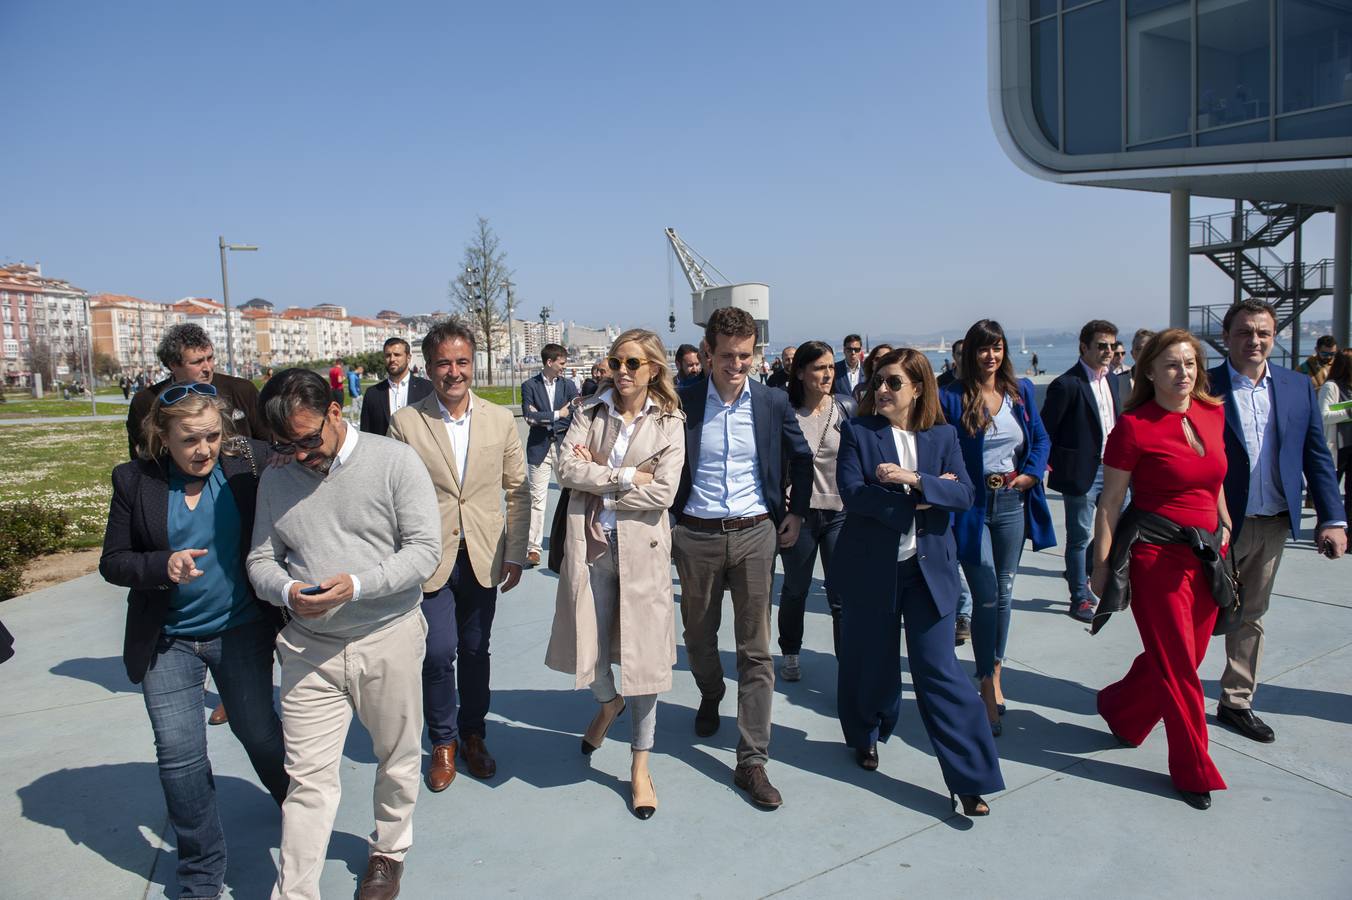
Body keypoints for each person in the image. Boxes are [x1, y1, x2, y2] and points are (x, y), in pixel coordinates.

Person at [247, 368, 442, 900]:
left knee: (397, 757)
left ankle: (388, 850)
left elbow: (425, 551)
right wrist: (287, 593)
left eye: (308, 440)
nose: (300, 455)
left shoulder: (394, 461)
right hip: (309, 648)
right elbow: (262, 559)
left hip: (389, 635)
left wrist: (355, 586)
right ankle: (294, 892)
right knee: (307, 779)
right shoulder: (276, 475)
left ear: (336, 412)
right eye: (285, 445)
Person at [101, 384, 288, 900]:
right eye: (190, 440)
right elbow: (113, 561)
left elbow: (309, 457)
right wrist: (160, 565)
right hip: (168, 642)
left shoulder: (247, 466)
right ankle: (200, 873)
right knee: (179, 757)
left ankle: (297, 809)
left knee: (260, 735)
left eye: (212, 436)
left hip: (241, 629)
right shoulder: (133, 482)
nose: (204, 449)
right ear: (161, 437)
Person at [829, 348, 1003, 816]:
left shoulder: (943, 436)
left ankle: (969, 777)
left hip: (929, 572)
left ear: (918, 388)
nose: (881, 390)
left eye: (893, 383)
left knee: (940, 672)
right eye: (876, 381)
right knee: (870, 662)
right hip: (873, 569)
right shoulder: (858, 432)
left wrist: (911, 478)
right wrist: (922, 499)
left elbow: (964, 494)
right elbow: (854, 493)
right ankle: (865, 734)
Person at [671, 306, 813, 809]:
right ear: (708, 353)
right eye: (728, 356)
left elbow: (801, 456)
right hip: (697, 536)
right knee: (698, 638)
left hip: (756, 533)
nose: (737, 366)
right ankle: (710, 692)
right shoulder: (683, 401)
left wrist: (794, 511)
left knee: (756, 650)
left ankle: (751, 760)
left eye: (746, 356)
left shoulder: (772, 402)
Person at [545, 328, 685, 820]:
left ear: (653, 369)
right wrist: (627, 475)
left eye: (632, 363)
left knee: (644, 661)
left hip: (643, 553)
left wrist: (598, 475)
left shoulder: (670, 421)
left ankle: (640, 763)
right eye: (616, 361)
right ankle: (608, 704)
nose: (621, 371)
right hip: (592, 549)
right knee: (592, 648)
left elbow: (664, 493)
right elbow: (566, 470)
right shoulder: (589, 410)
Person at [1090, 328, 1232, 810]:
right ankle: (1194, 769)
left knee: (1184, 660)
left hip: (1207, 555)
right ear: (1149, 371)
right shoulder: (1134, 426)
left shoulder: (1213, 413)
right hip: (1155, 556)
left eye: (1190, 363)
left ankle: (1122, 710)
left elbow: (1214, 477)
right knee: (1179, 671)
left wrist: (1225, 519)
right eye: (1172, 365)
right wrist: (1101, 565)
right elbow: (1110, 503)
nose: (1183, 373)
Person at [388, 322, 529, 791]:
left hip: (484, 555)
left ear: (473, 364)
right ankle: (443, 741)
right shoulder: (407, 423)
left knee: (474, 651)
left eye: (462, 362)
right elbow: (392, 496)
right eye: (444, 363)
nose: (454, 372)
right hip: (429, 558)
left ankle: (474, 735)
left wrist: (516, 552)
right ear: (428, 368)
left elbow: (517, 490)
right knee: (437, 652)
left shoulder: (499, 420)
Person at [1208, 301, 1346, 744]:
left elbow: (1316, 456)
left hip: (1271, 521)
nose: (1255, 341)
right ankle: (1164, 696)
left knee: (1251, 614)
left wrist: (1333, 518)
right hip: (1213, 522)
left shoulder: (1296, 386)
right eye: (1245, 332)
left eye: (1263, 333)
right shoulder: (1201, 385)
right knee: (1194, 614)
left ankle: (1236, 701)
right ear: (1226, 337)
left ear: (1274, 337)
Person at [938, 319, 1054, 735]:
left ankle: (993, 672)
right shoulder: (950, 396)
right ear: (970, 352)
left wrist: (1032, 473)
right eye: (984, 348)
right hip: (970, 506)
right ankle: (986, 682)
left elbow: (1040, 439)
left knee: (1004, 591)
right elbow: (940, 446)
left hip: (1011, 499)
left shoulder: (1019, 392)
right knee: (985, 589)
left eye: (998, 347)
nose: (992, 355)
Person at [776, 341, 856, 680]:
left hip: (839, 511)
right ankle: (791, 650)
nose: (827, 374)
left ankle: (847, 664)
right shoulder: (785, 411)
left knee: (841, 595)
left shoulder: (845, 408)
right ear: (801, 372)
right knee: (796, 588)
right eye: (819, 368)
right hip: (800, 514)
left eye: (830, 367)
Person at [1040, 319, 1122, 621]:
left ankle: (1081, 575)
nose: (1108, 352)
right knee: (1080, 535)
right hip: (1082, 473)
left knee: (1116, 528)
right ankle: (1079, 597)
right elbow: (1046, 430)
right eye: (1101, 346)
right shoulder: (1066, 384)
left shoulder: (1113, 380)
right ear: (1084, 347)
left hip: (1114, 470)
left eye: (1112, 346)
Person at [127, 323, 269, 460]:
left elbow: (268, 442)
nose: (207, 368)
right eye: (197, 362)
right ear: (173, 365)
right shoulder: (146, 401)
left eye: (210, 358)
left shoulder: (241, 390)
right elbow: (142, 458)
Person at [521, 343, 579, 567]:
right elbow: (529, 417)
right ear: (550, 362)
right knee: (537, 499)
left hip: (564, 448)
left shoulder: (569, 385)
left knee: (571, 497)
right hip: (539, 450)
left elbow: (575, 413)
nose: (565, 367)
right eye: (562, 363)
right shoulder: (529, 386)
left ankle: (571, 541)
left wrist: (546, 416)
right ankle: (533, 549)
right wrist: (559, 413)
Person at [360, 337, 433, 437]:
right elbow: (366, 433)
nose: (392, 359)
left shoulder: (428, 389)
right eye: (388, 355)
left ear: (408, 357)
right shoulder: (372, 394)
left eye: (397, 355)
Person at [1318, 348, 1352, 520]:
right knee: (1330, 494)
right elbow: (1323, 415)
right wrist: (1349, 412)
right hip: (1337, 448)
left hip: (1350, 446)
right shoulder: (1331, 387)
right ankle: (1326, 528)